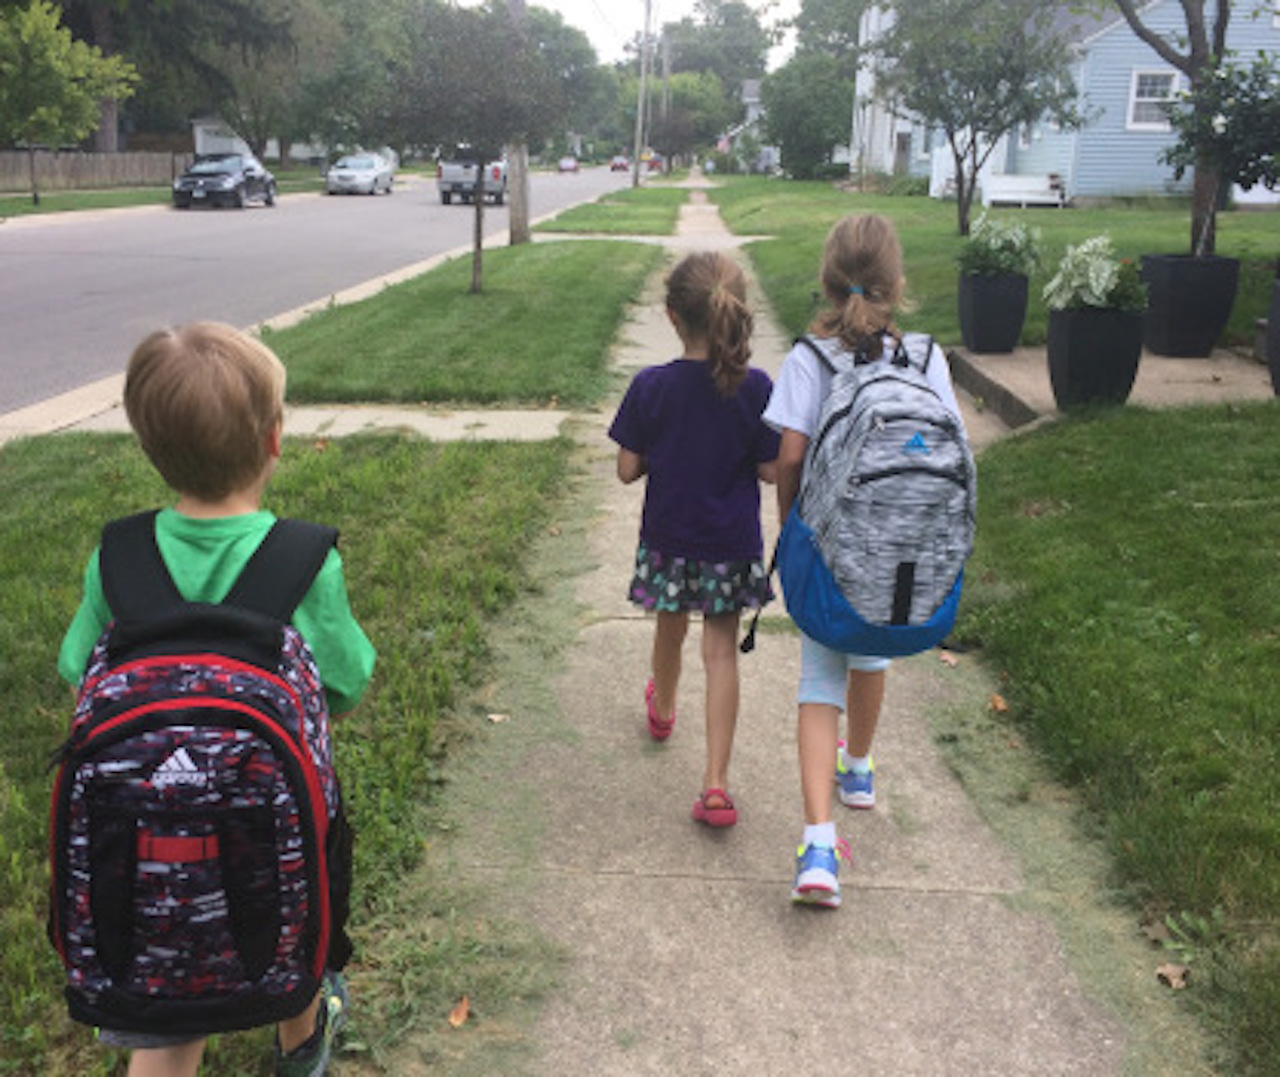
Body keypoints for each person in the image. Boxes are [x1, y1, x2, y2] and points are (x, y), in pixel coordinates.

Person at [57, 322, 377, 1077]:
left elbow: (81, 672)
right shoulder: (303, 558)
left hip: (143, 833)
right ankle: (301, 1040)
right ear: (274, 441)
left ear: (148, 447)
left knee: (167, 985)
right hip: (272, 804)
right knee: (298, 909)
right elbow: (345, 680)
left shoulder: (118, 558)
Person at [763, 215, 966, 908]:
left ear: (825, 280)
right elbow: (954, 449)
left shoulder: (809, 359)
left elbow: (790, 455)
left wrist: (794, 526)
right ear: (897, 282)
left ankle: (819, 846)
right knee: (872, 653)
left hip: (834, 549)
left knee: (821, 675)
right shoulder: (928, 357)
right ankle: (859, 769)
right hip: (906, 554)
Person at [608, 251, 779, 828]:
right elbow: (770, 471)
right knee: (721, 651)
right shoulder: (756, 388)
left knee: (670, 628)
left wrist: (664, 449)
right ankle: (715, 785)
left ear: (672, 316)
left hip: (669, 541)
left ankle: (662, 708)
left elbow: (627, 470)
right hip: (730, 545)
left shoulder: (651, 386)